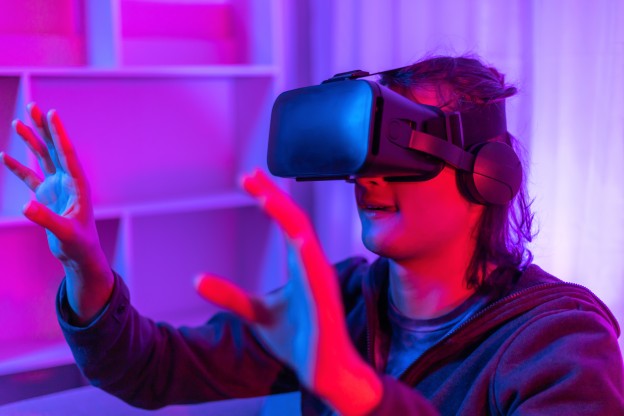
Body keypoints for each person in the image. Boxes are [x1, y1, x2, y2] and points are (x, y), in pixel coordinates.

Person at [1, 55, 623, 415]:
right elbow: (149, 370)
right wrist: (85, 265)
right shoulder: (340, 301)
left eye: (403, 151)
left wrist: (352, 387)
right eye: (366, 149)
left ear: (487, 175)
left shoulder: (558, 345)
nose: (368, 177)